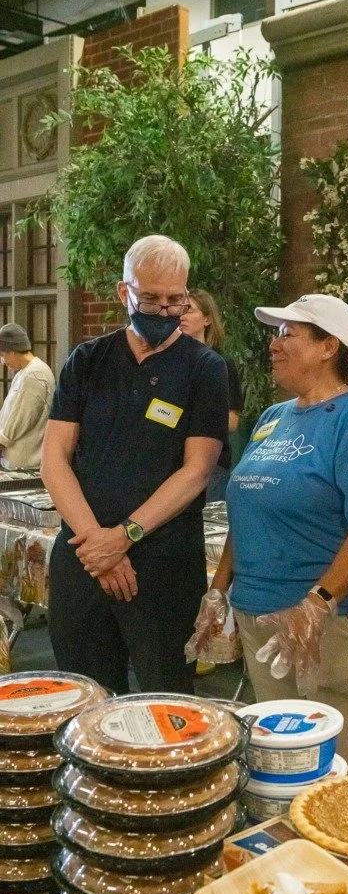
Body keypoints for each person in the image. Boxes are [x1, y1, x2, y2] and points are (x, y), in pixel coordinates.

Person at [211, 294, 348, 774]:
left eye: (288, 334)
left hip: (340, 627)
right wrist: (217, 591)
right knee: (284, 771)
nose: (274, 345)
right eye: (275, 334)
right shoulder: (272, 418)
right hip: (266, 625)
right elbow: (247, 508)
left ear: (328, 347)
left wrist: (317, 603)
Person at [42, 235, 229, 695]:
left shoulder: (206, 369)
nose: (164, 311)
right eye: (151, 299)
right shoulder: (87, 360)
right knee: (82, 696)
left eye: (175, 301)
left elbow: (197, 470)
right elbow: (54, 458)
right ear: (124, 293)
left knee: (164, 697)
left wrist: (124, 536)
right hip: (84, 558)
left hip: (161, 563)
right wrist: (98, 546)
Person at [180, 289, 243, 502]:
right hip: (172, 463)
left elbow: (232, 421)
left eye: (189, 310)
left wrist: (186, 419)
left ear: (207, 319)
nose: (182, 315)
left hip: (211, 463)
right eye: (179, 309)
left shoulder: (221, 363)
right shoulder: (168, 363)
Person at [0, 324, 55, 471]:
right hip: (15, 463)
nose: (3, 362)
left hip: (25, 466)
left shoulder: (34, 375)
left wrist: (2, 441)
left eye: (3, 355)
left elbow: (21, 419)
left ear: (13, 351)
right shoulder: (24, 373)